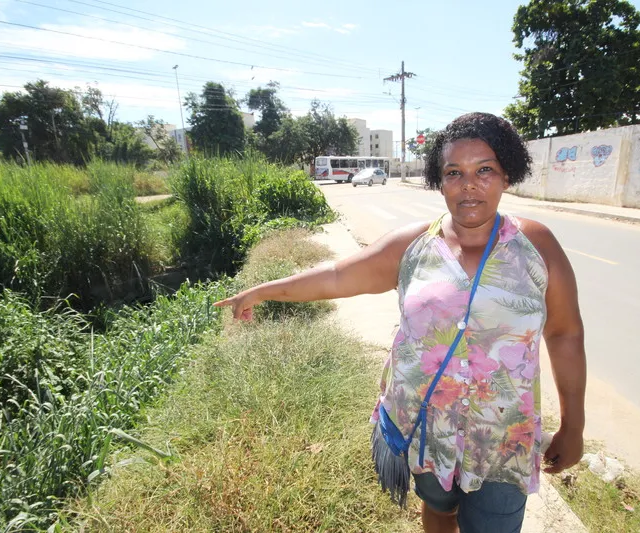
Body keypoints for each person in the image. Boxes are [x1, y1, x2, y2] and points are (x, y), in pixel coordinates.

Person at [215, 112, 586, 533]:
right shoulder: (414, 245)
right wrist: (263, 290)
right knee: (438, 509)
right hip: (425, 424)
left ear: (506, 175)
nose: (469, 185)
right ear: (439, 180)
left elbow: (565, 332)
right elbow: (338, 276)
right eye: (453, 172)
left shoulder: (535, 245)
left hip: (502, 434)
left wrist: (574, 424)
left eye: (485, 170)